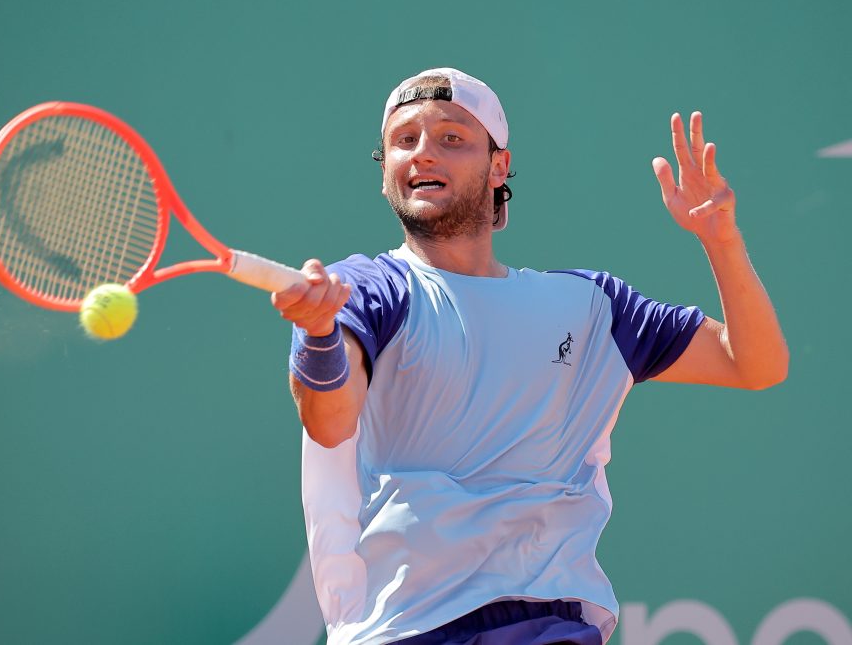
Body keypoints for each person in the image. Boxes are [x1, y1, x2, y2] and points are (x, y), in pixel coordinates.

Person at [271, 67, 788, 645]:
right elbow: (330, 419)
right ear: (385, 171)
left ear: (498, 166)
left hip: (550, 624)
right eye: (404, 140)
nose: (422, 154)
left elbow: (756, 364)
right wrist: (318, 333)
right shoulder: (363, 289)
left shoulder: (588, 307)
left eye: (451, 138)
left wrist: (722, 241)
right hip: (406, 628)